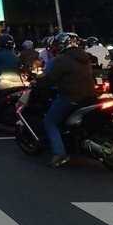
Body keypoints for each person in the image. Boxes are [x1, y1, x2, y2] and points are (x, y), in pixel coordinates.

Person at [34, 32, 96, 167]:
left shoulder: (61, 60)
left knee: (50, 122)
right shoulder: (86, 58)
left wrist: (39, 84)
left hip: (70, 97)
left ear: (62, 45)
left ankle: (59, 154)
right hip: (90, 96)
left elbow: (50, 79)